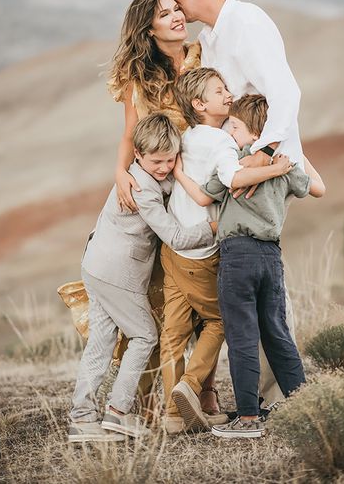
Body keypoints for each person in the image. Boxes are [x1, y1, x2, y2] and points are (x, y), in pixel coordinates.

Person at [165, 0, 304, 407]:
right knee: (248, 283)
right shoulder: (209, 39)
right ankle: (266, 393)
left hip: (262, 170)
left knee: (259, 281)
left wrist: (264, 151)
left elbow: (285, 93)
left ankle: (275, 398)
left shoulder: (247, 21)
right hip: (238, 173)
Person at [174, 93, 325, 438]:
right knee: (277, 334)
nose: (230, 132)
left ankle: (247, 420)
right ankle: (309, 405)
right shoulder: (285, 167)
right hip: (271, 257)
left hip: (237, 256)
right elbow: (319, 189)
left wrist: (180, 173)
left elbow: (202, 196)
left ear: (255, 133)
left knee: (242, 337)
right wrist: (296, 153)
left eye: (236, 127)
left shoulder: (236, 165)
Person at [107, 0, 221, 418]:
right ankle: (157, 399)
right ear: (149, 29)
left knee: (209, 289)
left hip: (205, 184)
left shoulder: (203, 54)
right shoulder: (141, 77)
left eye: (177, 8)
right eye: (165, 13)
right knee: (165, 297)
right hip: (165, 191)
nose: (177, 16)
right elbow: (130, 133)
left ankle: (204, 393)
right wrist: (120, 172)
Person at [68, 113, 216, 443]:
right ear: (137, 155)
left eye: (170, 160)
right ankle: (118, 413)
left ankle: (81, 417)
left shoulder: (146, 176)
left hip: (95, 265)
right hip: (116, 272)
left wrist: (176, 173)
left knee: (102, 342)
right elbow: (175, 237)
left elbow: (165, 180)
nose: (164, 167)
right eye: (157, 161)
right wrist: (215, 228)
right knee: (145, 336)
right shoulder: (141, 190)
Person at [162, 68, 293, 433]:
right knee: (220, 321)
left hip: (173, 248)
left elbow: (200, 191)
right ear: (199, 104)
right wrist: (274, 167)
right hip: (204, 249)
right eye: (219, 91)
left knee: (173, 331)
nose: (228, 94)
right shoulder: (220, 143)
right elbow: (232, 180)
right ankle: (190, 386)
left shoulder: (186, 138)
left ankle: (172, 415)